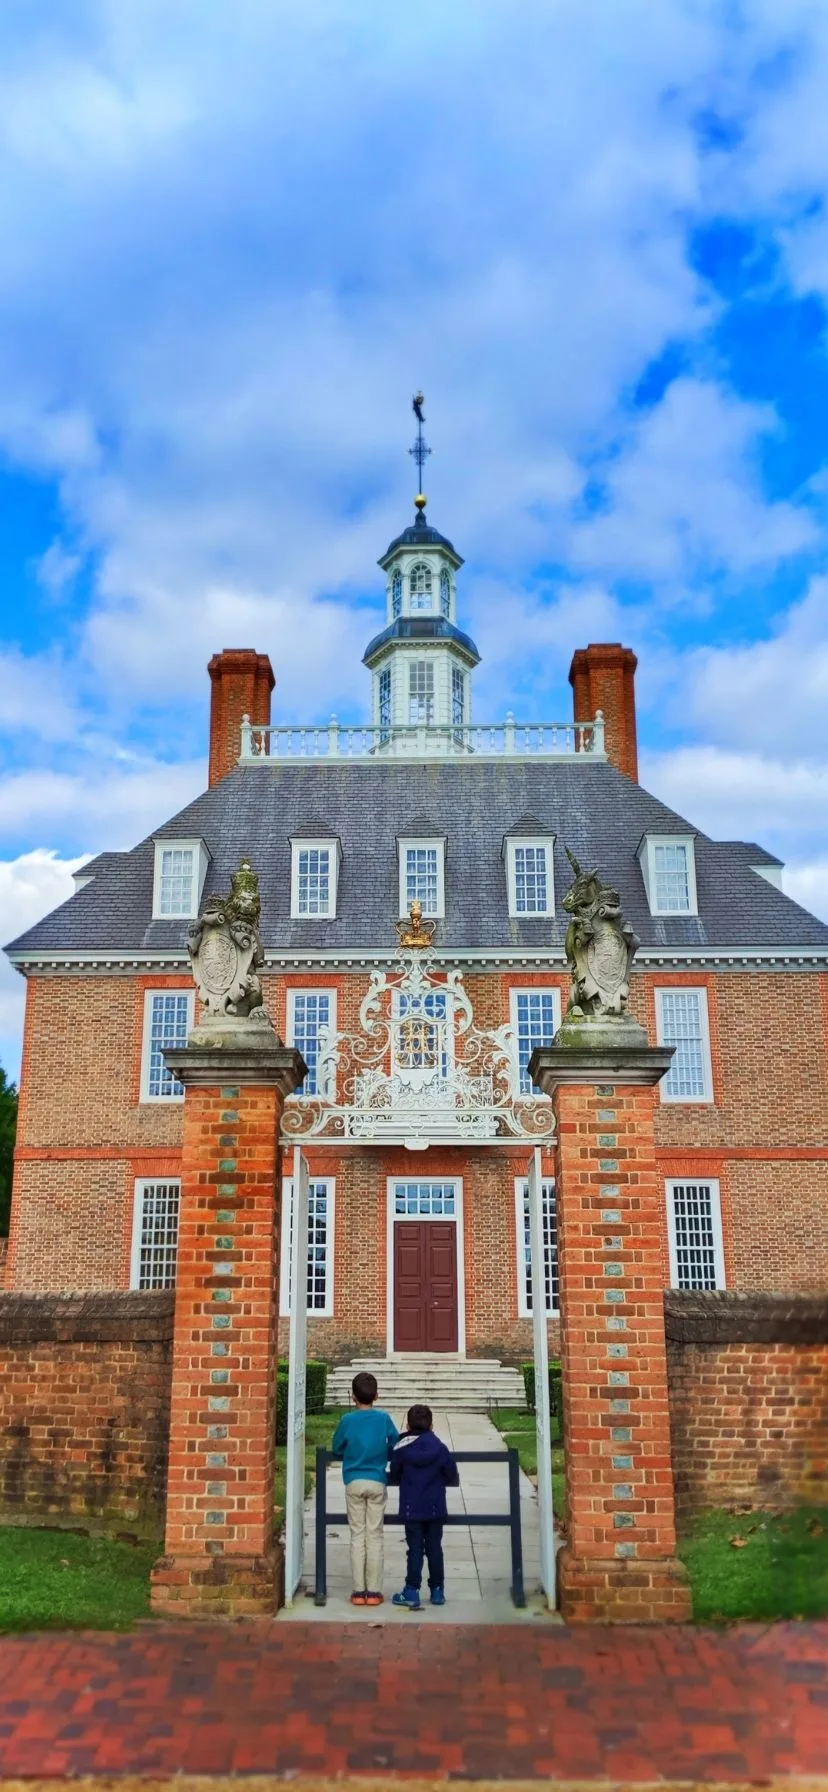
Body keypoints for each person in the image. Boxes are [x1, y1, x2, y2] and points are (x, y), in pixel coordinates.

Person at [331, 1371, 399, 1606]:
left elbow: (337, 1446)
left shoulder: (347, 1421)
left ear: (353, 1397)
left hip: (354, 1480)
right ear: (377, 1396)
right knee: (375, 1534)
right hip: (377, 1479)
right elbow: (396, 1442)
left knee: (357, 1535)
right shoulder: (383, 1419)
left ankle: (359, 1590)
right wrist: (384, 1455)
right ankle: (376, 1591)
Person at [389, 1404, 459, 1610]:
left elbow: (394, 1473)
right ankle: (437, 1589)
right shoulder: (439, 1447)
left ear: (408, 1424)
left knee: (415, 1549)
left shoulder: (402, 1448)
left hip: (412, 1506)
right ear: (431, 1424)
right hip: (435, 1506)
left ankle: (412, 1589)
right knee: (435, 1548)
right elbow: (450, 1472)